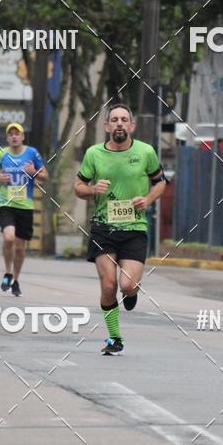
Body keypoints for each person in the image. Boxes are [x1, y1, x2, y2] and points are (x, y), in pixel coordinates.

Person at [74, 103, 168, 355]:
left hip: (135, 228)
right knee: (108, 286)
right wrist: (93, 189)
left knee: (126, 286)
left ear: (131, 126)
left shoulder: (146, 152)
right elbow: (78, 187)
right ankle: (114, 338)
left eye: (124, 119)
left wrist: (147, 200)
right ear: (106, 126)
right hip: (103, 228)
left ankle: (131, 292)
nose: (119, 123)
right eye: (114, 119)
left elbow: (161, 182)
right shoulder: (94, 153)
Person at [0, 122, 48, 297]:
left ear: (22, 137)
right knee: (9, 237)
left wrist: (33, 171)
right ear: (7, 138)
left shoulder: (32, 153)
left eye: (17, 133)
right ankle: (7, 272)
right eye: (10, 134)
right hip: (6, 203)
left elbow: (45, 177)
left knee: (20, 247)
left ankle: (16, 279)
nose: (14, 136)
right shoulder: (1, 153)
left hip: (25, 205)